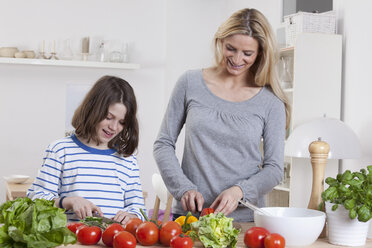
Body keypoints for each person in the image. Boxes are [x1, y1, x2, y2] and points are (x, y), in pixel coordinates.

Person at [153, 8, 290, 222]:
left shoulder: (271, 102)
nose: (237, 59)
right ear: (220, 41)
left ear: (261, 53)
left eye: (247, 53)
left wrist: (239, 191)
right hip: (190, 216)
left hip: (244, 219)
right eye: (231, 48)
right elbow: (163, 144)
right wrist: (183, 188)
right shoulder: (190, 83)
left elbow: (274, 169)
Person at [28, 75, 146, 224]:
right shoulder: (60, 151)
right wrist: (68, 201)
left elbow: (138, 209)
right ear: (93, 109)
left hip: (112, 242)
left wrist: (132, 216)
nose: (114, 127)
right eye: (109, 117)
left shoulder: (128, 161)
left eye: (122, 122)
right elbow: (34, 199)